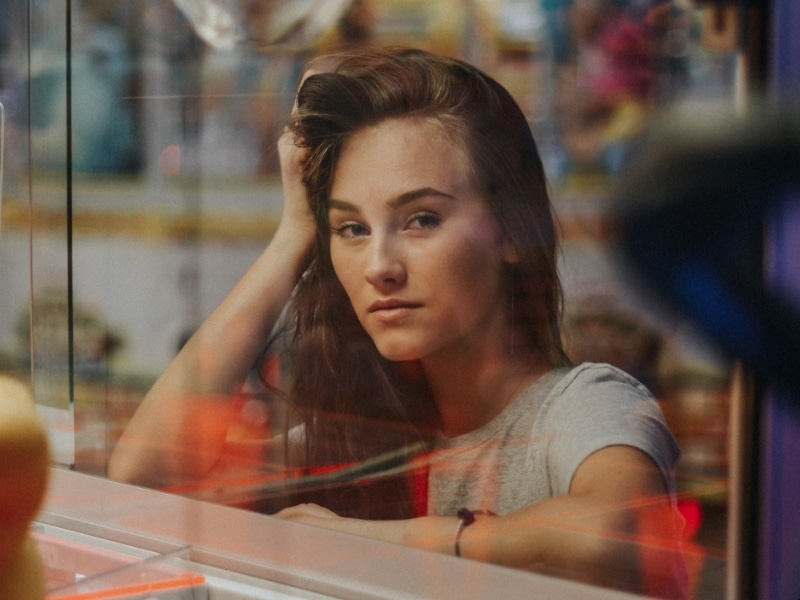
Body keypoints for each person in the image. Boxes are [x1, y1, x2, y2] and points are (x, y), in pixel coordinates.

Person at [109, 47, 686, 597]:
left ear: (512, 228)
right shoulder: (365, 438)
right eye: (351, 229)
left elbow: (618, 542)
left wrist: (370, 543)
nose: (380, 267)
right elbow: (144, 478)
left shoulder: (585, 404)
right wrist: (293, 236)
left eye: (421, 219)